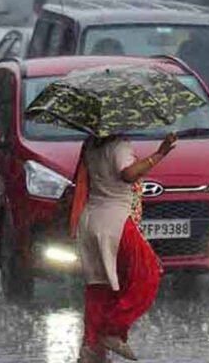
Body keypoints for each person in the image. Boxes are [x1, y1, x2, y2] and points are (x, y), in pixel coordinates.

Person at [73, 132, 178, 363]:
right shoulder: (119, 144)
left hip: (91, 219)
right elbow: (128, 174)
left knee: (99, 287)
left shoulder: (91, 144)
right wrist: (160, 154)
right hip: (116, 220)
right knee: (147, 273)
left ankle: (91, 348)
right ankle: (112, 330)